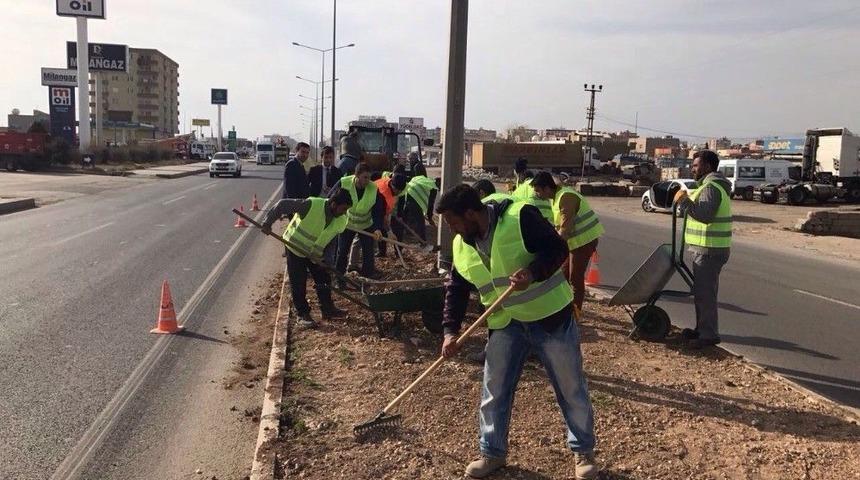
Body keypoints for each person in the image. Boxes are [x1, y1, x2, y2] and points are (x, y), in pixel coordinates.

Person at [436, 185, 598, 479]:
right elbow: (456, 288)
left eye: (453, 222)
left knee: (570, 387)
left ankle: (583, 452)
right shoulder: (463, 242)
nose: (451, 229)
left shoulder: (520, 217)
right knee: (494, 390)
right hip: (505, 324)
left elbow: (558, 249)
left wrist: (533, 273)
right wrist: (450, 330)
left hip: (549, 318)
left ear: (471, 214)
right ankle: (492, 453)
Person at [261, 188, 351, 328]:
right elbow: (282, 205)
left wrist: (327, 261)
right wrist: (267, 222)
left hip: (314, 253)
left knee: (324, 278)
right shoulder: (311, 205)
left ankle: (327, 309)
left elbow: (331, 240)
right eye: (343, 209)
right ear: (334, 204)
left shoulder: (340, 218)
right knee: (298, 282)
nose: (345, 212)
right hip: (295, 247)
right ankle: (302, 314)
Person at [674, 149, 732, 349]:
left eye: (696, 165)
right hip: (707, 248)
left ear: (707, 166)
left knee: (705, 293)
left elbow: (704, 215)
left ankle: (708, 334)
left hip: (710, 248)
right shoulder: (710, 186)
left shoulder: (711, 187)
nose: (692, 169)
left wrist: (683, 201)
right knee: (702, 292)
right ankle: (701, 329)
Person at [531, 171, 605, 316]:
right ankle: (562, 308)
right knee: (563, 276)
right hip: (574, 242)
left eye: (539, 191)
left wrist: (553, 249)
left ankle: (575, 314)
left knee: (575, 278)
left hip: (584, 240)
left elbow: (565, 227)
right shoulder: (556, 197)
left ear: (547, 188)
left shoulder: (566, 197)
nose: (538, 195)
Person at [331, 162, 385, 278]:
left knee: (368, 252)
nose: (367, 180)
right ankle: (339, 278)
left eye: (369, 177)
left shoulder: (373, 188)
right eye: (365, 177)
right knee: (342, 251)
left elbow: (378, 210)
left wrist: (377, 228)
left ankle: (368, 277)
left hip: (366, 225)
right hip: (347, 224)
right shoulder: (344, 182)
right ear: (356, 175)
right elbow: (331, 199)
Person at [374, 173, 408, 257]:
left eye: (400, 190)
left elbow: (401, 198)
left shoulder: (399, 187)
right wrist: (389, 231)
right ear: (392, 185)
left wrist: (399, 214)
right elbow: (382, 215)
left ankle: (398, 252)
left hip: (389, 208)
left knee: (397, 229)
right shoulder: (383, 192)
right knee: (381, 231)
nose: (399, 192)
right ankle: (381, 252)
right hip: (375, 208)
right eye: (397, 190)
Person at [400, 174, 438, 242]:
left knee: (405, 214)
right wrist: (430, 218)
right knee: (420, 220)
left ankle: (403, 233)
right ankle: (423, 241)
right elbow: (430, 204)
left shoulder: (427, 180)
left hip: (408, 191)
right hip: (415, 197)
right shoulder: (433, 187)